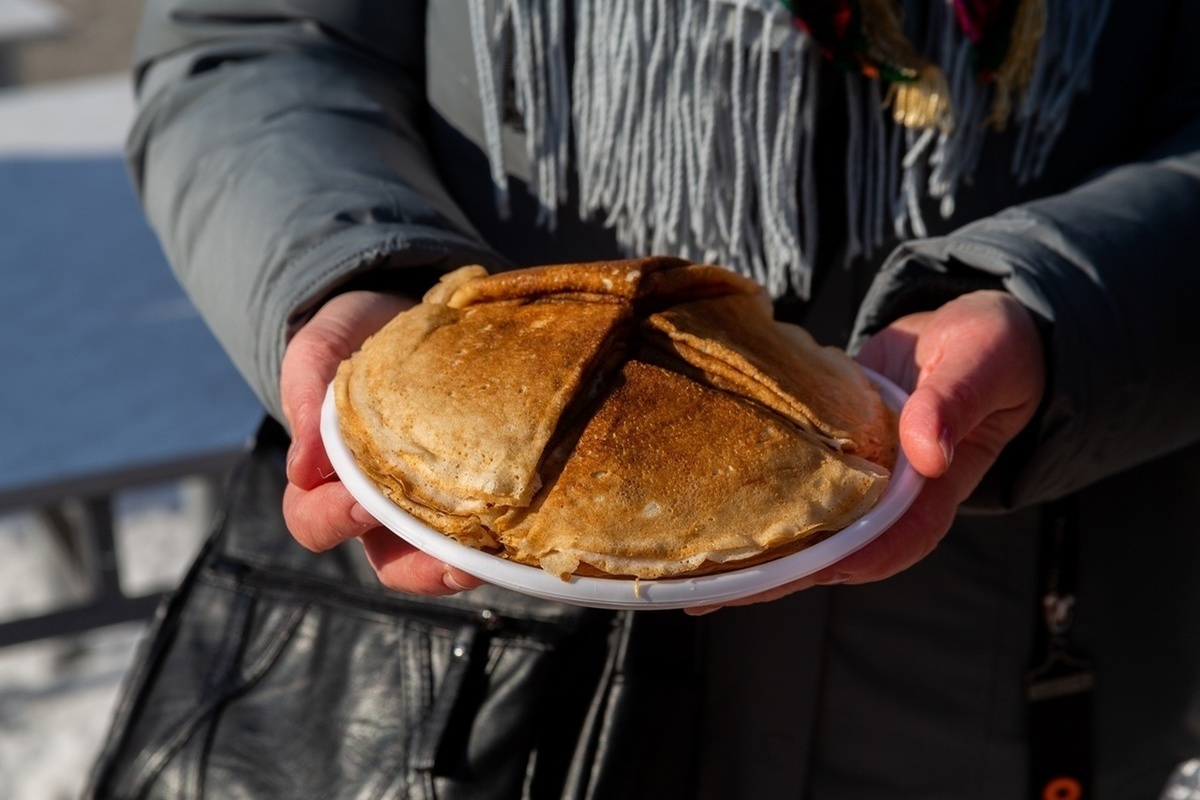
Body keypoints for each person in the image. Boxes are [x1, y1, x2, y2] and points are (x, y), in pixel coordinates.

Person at [114, 0, 1200, 796]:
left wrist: (1059, 314)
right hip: (476, 664)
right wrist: (360, 278)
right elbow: (258, 39)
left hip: (1007, 637)